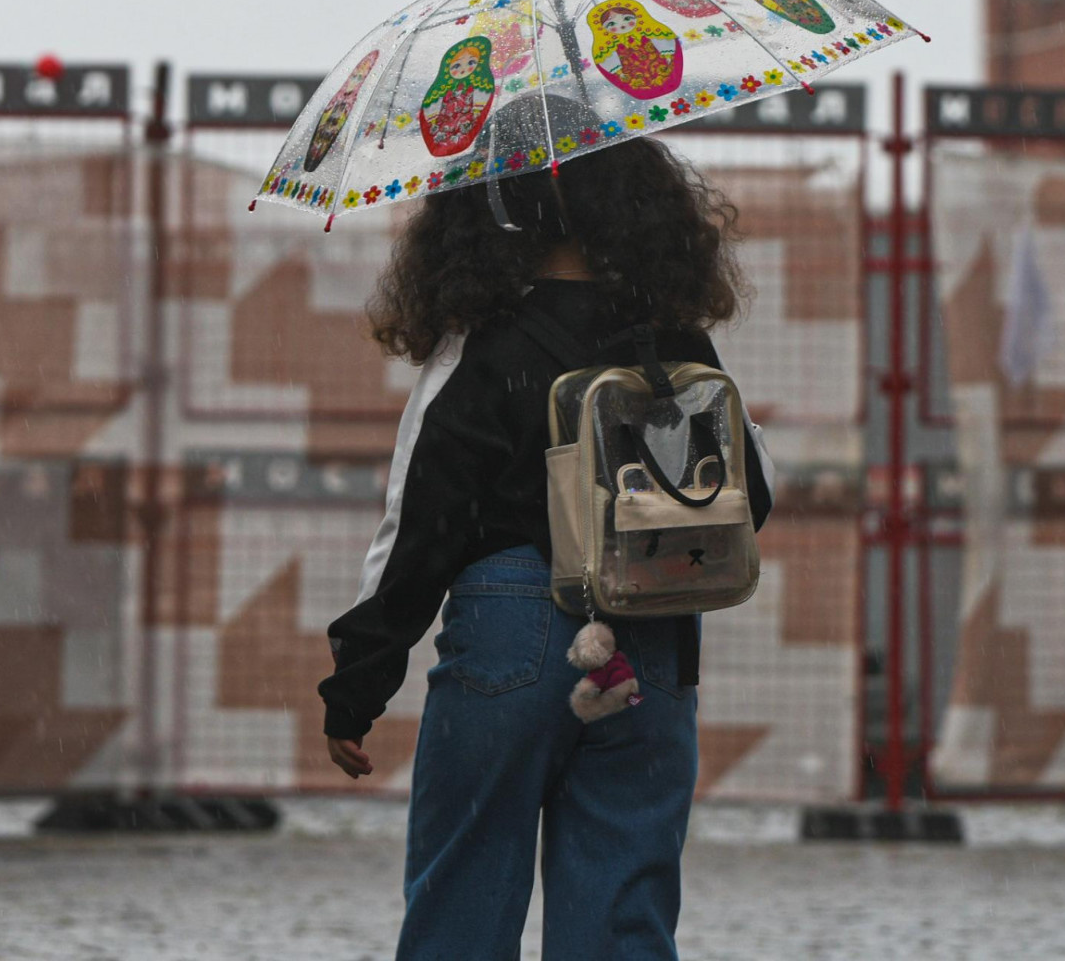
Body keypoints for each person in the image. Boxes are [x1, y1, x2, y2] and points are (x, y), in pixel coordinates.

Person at [319, 136, 772, 961]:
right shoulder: (676, 346)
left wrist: (359, 680)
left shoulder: (484, 345)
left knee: (466, 893)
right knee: (623, 909)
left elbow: (419, 527)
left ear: (491, 214)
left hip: (513, 625)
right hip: (650, 638)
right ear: (641, 208)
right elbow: (755, 493)